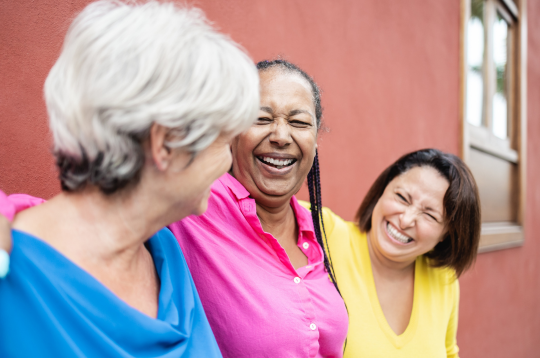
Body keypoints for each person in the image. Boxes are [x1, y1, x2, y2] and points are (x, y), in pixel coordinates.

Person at [0, 59, 349, 357]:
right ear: (231, 134)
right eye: (261, 118)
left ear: (315, 142)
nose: (281, 135)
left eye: (299, 123)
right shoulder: (195, 201)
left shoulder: (319, 226)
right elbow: (94, 209)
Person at [0, 0, 260, 357]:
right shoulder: (12, 277)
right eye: (225, 140)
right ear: (166, 142)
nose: (229, 161)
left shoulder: (164, 252)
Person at [315, 149, 480, 358]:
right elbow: (267, 208)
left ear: (446, 234)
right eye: (402, 197)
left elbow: (449, 353)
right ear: (384, 189)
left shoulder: (444, 279)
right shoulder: (325, 233)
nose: (406, 220)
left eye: (429, 214)